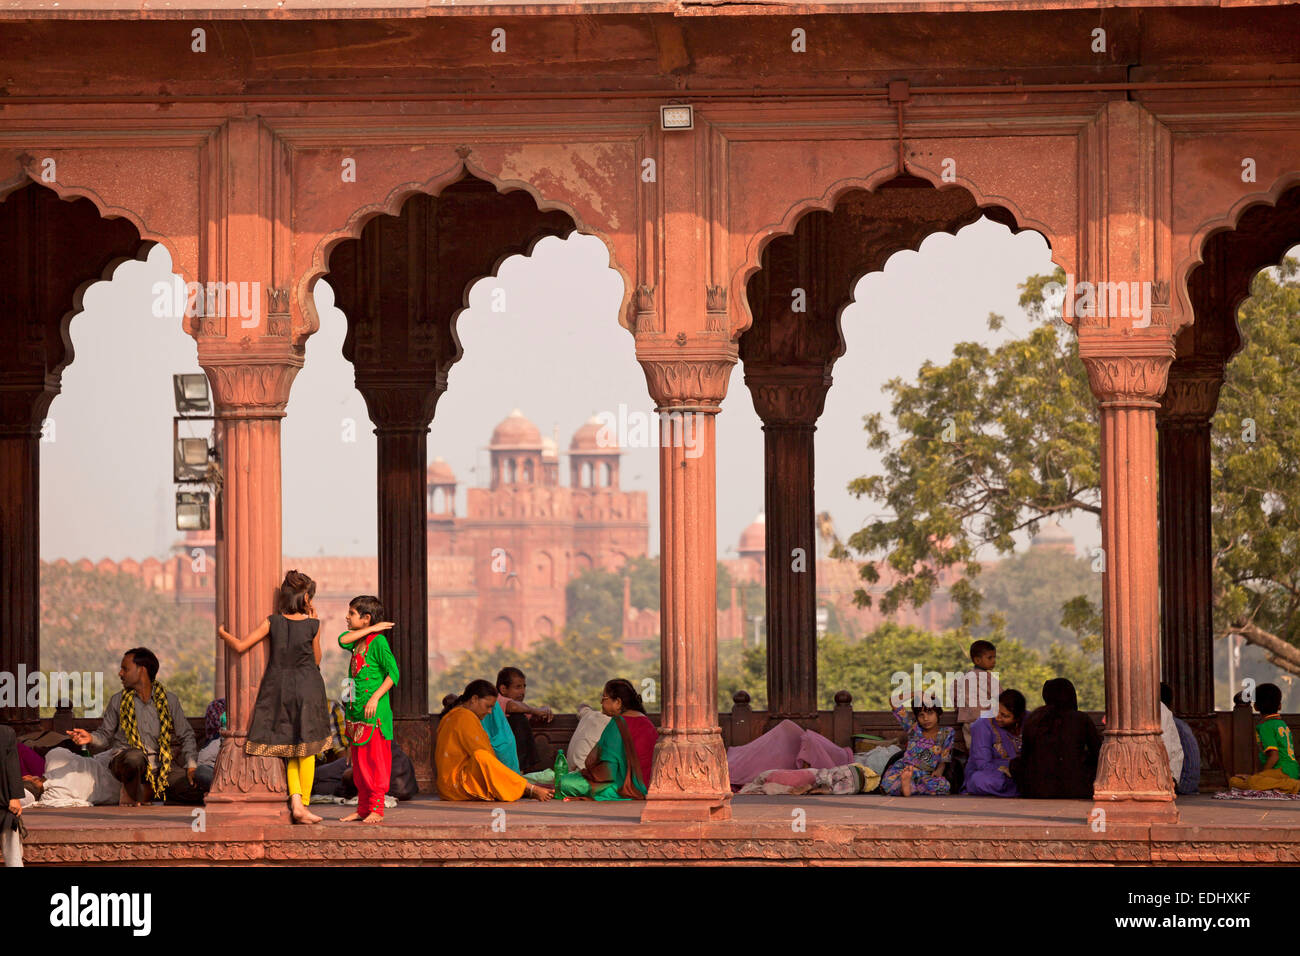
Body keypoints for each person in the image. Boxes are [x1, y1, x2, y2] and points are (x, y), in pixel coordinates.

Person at [218, 569, 332, 824]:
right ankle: (304, 803)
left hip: (279, 688)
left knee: (290, 750)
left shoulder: (273, 622)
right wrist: (313, 621)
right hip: (308, 687)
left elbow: (239, 646)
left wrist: (223, 633)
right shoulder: (314, 625)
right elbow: (317, 660)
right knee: (308, 749)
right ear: (306, 599)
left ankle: (296, 802)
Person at [69, 647, 202, 806]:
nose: (120, 673)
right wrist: (90, 738)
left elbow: (186, 735)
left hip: (162, 767)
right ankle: (145, 792)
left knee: (198, 791)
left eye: (125, 669)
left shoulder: (169, 700)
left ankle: (146, 793)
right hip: (126, 763)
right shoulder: (118, 701)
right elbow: (105, 736)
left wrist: (191, 767)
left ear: (141, 671)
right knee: (135, 757)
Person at [337, 595, 400, 823]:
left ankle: (376, 809)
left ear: (366, 618)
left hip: (375, 716)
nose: (347, 616)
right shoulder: (357, 642)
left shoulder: (379, 643)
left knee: (376, 763)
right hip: (357, 714)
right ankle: (363, 808)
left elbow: (394, 674)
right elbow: (342, 639)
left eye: (352, 613)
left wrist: (375, 698)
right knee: (360, 765)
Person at [435, 680, 552, 802]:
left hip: (446, 788)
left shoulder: (452, 715)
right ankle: (528, 788)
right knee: (482, 757)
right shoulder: (465, 717)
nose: (490, 712)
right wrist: (529, 787)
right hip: (458, 786)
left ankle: (521, 787)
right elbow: (484, 758)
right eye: (488, 706)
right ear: (474, 699)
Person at [553, 679, 653, 800]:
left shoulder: (617, 723)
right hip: (649, 785)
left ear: (618, 702)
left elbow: (604, 770)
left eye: (604, 698)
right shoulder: (647, 722)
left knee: (564, 783)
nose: (601, 702)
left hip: (623, 786)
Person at [1011, 678, 1101, 799]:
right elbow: (1098, 753)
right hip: (1076, 789)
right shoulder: (1081, 718)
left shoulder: (1034, 718)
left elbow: (1025, 757)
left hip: (1036, 790)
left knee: (1015, 763)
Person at [1228, 682, 1299, 793]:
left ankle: (1293, 785)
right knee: (1240, 781)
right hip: (1293, 770)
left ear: (1255, 707)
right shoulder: (1281, 723)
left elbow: (1274, 756)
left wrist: (1260, 776)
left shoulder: (1265, 726)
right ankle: (1281, 786)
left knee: (1239, 782)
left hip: (1281, 771)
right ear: (1279, 705)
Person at [879, 693, 955, 796]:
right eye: (921, 715)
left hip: (925, 774)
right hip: (905, 769)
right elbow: (894, 701)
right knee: (890, 781)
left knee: (943, 786)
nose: (926, 718)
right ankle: (906, 785)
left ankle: (906, 788)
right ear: (917, 717)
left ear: (939, 713)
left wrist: (940, 769)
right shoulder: (913, 729)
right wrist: (917, 693)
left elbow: (945, 755)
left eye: (930, 713)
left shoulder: (947, 733)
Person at [963, 689, 1026, 797]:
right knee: (978, 780)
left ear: (1017, 718)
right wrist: (1008, 769)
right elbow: (982, 764)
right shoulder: (982, 725)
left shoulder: (1028, 720)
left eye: (1005, 716)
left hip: (1022, 773)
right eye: (996, 710)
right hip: (993, 774)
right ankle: (1022, 789)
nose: (997, 717)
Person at [495, 667, 553, 773]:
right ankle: (520, 770)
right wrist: (535, 710)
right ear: (503, 689)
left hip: (508, 754)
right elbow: (513, 707)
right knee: (518, 719)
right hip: (495, 752)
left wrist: (544, 711)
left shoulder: (519, 706)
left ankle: (523, 770)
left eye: (524, 687)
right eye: (517, 687)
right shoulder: (496, 699)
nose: (522, 692)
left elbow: (527, 713)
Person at [953, 639, 1000, 752]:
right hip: (984, 722)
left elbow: (955, 697)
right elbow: (1001, 697)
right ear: (977, 660)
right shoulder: (987, 678)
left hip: (967, 723)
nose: (994, 661)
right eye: (990, 658)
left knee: (972, 750)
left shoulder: (963, 677)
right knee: (987, 750)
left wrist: (961, 711)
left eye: (994, 657)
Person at [1161, 682, 1200, 795]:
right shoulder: (1178, 722)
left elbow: (1166, 751)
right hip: (1191, 782)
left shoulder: (1163, 714)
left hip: (1182, 784)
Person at [1, 725, 25, 867]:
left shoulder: (5, 734)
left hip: (4, 806)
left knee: (13, 857)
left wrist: (14, 797)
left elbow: (12, 766)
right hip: (5, 804)